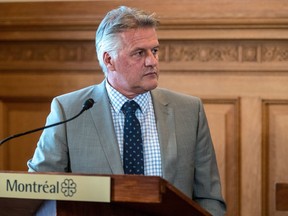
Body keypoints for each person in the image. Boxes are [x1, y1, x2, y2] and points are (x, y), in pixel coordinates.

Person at [28, 6, 226, 215]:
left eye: (155, 51)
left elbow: (209, 199)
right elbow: (37, 191)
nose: (152, 61)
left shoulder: (189, 111)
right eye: (139, 53)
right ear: (108, 60)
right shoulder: (69, 110)